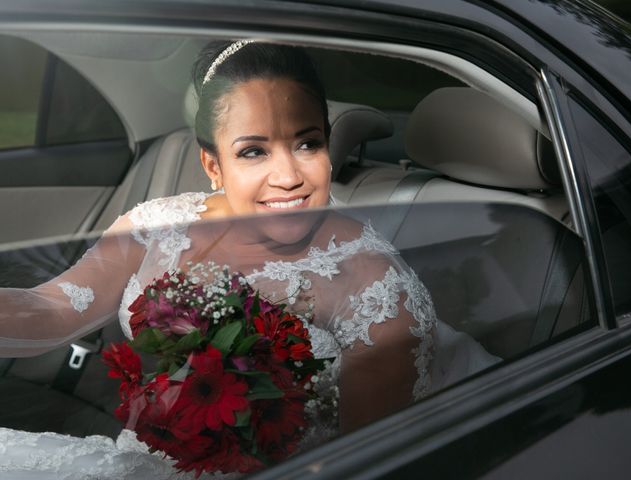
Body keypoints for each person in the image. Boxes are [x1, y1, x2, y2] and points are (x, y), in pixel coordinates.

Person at [0, 41, 498, 479]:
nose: (288, 176)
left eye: (307, 143)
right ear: (213, 164)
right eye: (254, 152)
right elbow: (50, 310)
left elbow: (365, 463)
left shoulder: (373, 287)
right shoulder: (156, 226)